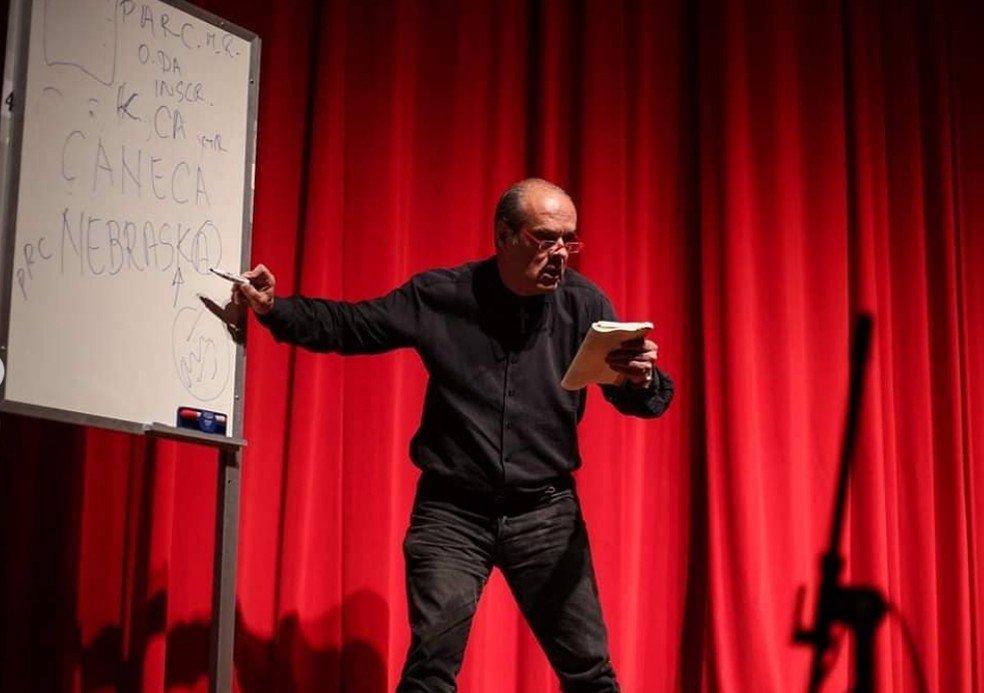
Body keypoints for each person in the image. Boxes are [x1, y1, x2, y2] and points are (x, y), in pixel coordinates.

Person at [233, 178, 674, 692]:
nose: (560, 254)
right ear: (504, 234)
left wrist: (640, 378)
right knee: (430, 673)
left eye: (569, 241)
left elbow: (634, 395)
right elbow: (352, 325)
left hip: (546, 513)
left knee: (590, 673)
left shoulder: (584, 305)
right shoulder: (442, 297)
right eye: (544, 238)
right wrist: (273, 308)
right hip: (453, 514)